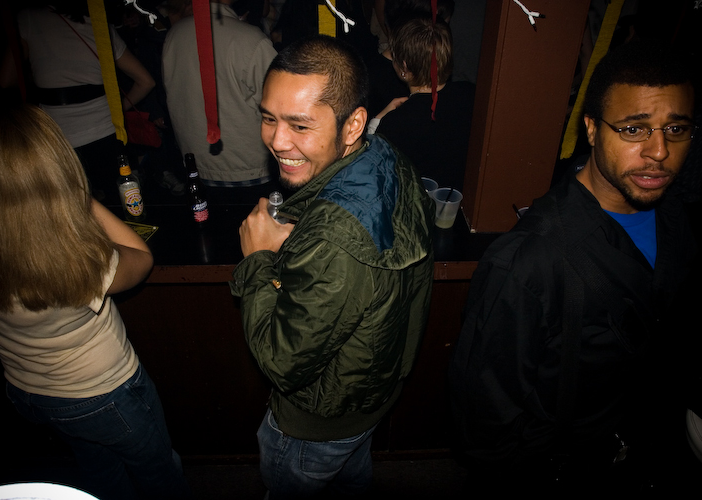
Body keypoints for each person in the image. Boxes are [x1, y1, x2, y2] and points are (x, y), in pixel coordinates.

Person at [448, 40, 699, 496]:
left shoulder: (678, 218)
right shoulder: (528, 262)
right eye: (634, 129)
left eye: (676, 129)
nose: (659, 151)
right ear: (592, 129)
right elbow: (484, 424)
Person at [229, 35, 435, 498]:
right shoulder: (385, 155)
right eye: (268, 117)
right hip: (369, 395)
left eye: (299, 125)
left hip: (316, 425)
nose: (276, 140)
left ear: (352, 124)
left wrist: (259, 259)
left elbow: (282, 362)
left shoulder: (333, 240)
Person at [0, 104, 190, 500]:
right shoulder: (74, 256)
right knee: (161, 474)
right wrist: (76, 197)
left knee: (99, 470)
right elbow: (141, 258)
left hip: (28, 392)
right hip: (104, 395)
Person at [0, 1, 158, 203]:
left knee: (72, 208)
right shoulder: (98, 23)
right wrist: (117, 110)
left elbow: (6, 80)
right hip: (105, 132)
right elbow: (146, 81)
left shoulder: (28, 17)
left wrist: (38, 75)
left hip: (59, 135)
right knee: (121, 205)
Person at [162, 0, 278, 198]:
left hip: (196, 165)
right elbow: (281, 104)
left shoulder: (174, 34)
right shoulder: (250, 39)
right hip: (249, 168)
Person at [369, 15, 474, 191]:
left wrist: (377, 121)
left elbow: (370, 171)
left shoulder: (396, 124)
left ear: (404, 68)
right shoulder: (471, 93)